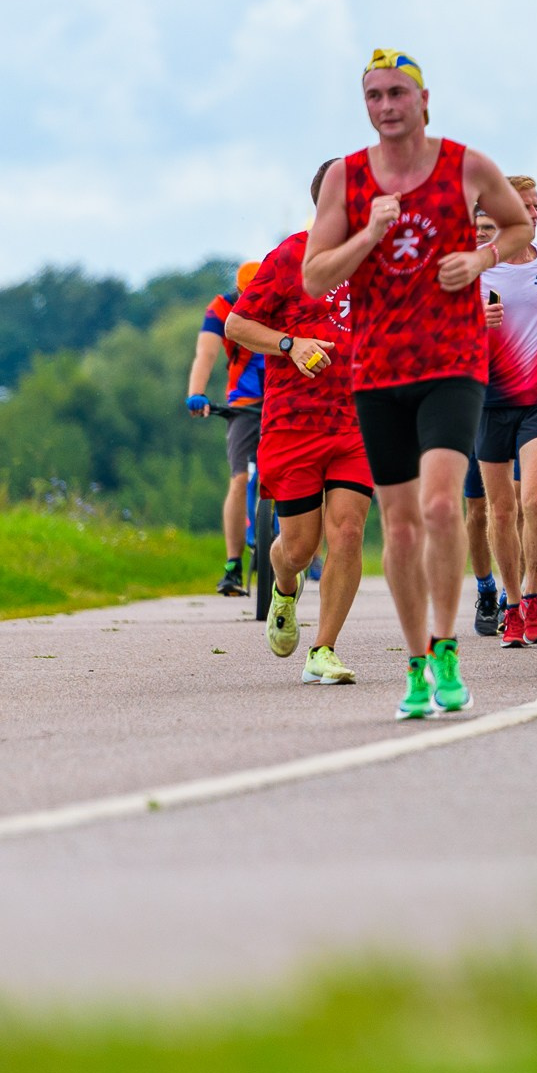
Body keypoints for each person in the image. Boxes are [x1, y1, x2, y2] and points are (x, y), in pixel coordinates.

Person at [303, 49, 532, 720]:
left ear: (424, 99)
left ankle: (446, 644)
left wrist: (482, 255)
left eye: (397, 92)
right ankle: (413, 663)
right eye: (373, 95)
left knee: (439, 506)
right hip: (378, 368)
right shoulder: (346, 179)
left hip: (453, 360)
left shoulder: (465, 164)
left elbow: (517, 224)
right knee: (399, 525)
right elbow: (317, 275)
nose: (386, 106)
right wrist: (369, 233)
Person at [225, 161, 371, 683]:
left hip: (356, 421)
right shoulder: (291, 255)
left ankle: (323, 651)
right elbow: (237, 323)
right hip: (293, 422)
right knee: (299, 546)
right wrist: (290, 344)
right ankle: (284, 586)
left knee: (349, 531)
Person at [476, 190, 537, 647]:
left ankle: (535, 594)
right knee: (502, 509)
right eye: (525, 206)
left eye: (536, 206)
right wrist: (475, 320)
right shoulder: (474, 264)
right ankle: (511, 604)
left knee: (535, 501)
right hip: (488, 399)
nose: (534, 214)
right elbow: (439, 328)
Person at [185, 261, 265, 597]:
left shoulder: (283, 300)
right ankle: (232, 565)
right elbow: (206, 352)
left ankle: (310, 554)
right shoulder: (222, 307)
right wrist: (196, 393)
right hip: (244, 403)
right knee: (239, 478)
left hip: (287, 397)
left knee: (305, 475)